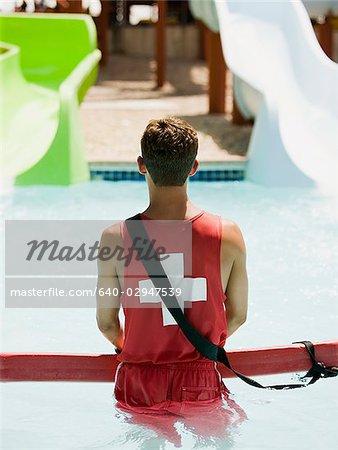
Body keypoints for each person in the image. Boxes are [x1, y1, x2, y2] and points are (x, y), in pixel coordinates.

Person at [96, 118, 248, 415]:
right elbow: (239, 315)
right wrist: (199, 349)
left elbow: (107, 323)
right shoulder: (227, 234)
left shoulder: (115, 238)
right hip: (200, 376)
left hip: (139, 381)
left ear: (142, 165)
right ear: (193, 167)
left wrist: (140, 347)